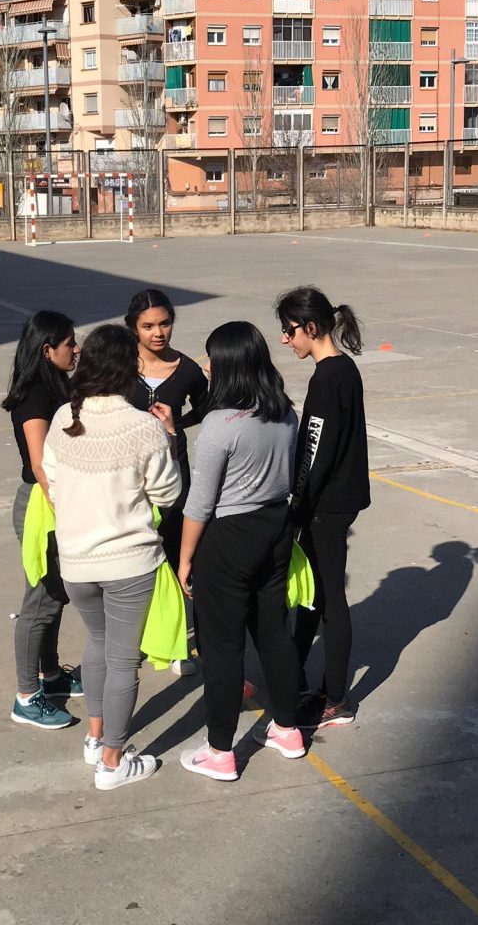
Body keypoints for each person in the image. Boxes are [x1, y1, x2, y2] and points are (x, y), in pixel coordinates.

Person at [43, 324, 181, 790]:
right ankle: (113, 761)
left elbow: (53, 482)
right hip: (128, 562)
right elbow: (167, 494)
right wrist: (169, 437)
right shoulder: (143, 426)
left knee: (97, 643)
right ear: (130, 369)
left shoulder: (63, 417)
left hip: (76, 560)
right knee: (124, 661)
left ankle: (95, 736)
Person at [177, 322, 304, 782]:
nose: (206, 366)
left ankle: (220, 750)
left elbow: (200, 503)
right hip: (275, 527)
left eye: (212, 358)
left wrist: (185, 558)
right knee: (273, 631)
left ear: (229, 365)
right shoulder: (284, 412)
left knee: (223, 647)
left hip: (229, 537)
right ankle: (287, 729)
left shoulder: (220, 424)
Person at [276, 285, 370, 729]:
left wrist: (296, 506)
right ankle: (305, 679)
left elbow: (313, 452)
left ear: (310, 328)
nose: (285, 339)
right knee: (315, 595)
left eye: (289, 330)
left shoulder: (327, 378)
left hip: (325, 505)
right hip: (338, 499)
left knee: (329, 600)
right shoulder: (344, 369)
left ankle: (336, 699)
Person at [2, 312, 82, 731]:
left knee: (55, 595)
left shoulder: (57, 385)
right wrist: (64, 510)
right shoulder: (34, 395)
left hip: (53, 502)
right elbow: (39, 465)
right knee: (41, 600)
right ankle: (26, 696)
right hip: (41, 504)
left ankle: (51, 676)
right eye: (70, 343)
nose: (76, 349)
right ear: (47, 350)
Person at [125, 288, 208, 675]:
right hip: (128, 477)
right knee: (135, 552)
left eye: (164, 324)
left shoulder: (187, 369)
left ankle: (177, 641)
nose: (158, 333)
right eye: (148, 326)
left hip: (174, 471)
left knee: (176, 552)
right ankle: (135, 634)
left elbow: (206, 406)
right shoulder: (120, 365)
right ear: (134, 327)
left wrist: (177, 425)